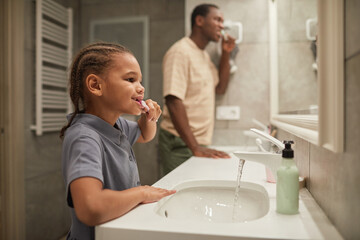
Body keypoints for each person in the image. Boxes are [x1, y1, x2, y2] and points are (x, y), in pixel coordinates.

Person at [60, 42, 176, 240]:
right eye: (131, 79)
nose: (141, 88)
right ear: (96, 85)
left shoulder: (117, 125)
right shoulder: (84, 137)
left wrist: (150, 118)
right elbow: (91, 207)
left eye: (140, 80)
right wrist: (141, 193)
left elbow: (144, 134)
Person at [159, 3, 236, 175]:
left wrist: (226, 53)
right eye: (217, 19)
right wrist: (194, 147)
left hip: (196, 143)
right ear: (199, 20)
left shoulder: (203, 55)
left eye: (222, 21)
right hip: (180, 142)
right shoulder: (180, 52)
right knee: (178, 195)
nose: (222, 25)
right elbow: (173, 100)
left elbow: (220, 88)